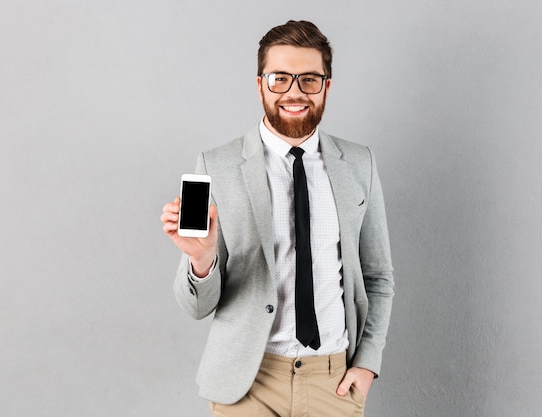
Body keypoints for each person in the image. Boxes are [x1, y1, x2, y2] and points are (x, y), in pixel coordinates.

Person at [161, 20, 394, 417]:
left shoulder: (358, 164)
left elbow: (378, 277)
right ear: (259, 85)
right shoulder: (217, 166)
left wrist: (367, 362)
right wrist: (201, 261)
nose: (294, 92)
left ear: (327, 86)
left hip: (333, 382)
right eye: (279, 78)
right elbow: (197, 308)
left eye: (309, 80)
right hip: (247, 383)